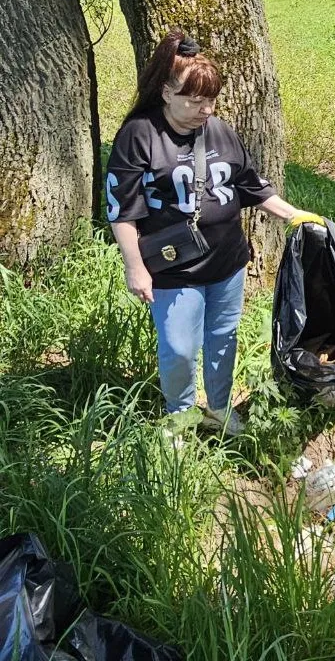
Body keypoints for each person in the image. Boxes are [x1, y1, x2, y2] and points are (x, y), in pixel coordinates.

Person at [105, 29, 323, 436]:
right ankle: (181, 416)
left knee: (223, 338)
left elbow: (250, 185)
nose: (207, 109)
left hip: (227, 262)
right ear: (168, 93)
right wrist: (135, 267)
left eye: (212, 100)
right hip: (173, 269)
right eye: (196, 100)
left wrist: (295, 216)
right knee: (180, 350)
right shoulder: (139, 135)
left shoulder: (219, 130)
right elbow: (122, 210)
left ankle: (220, 409)